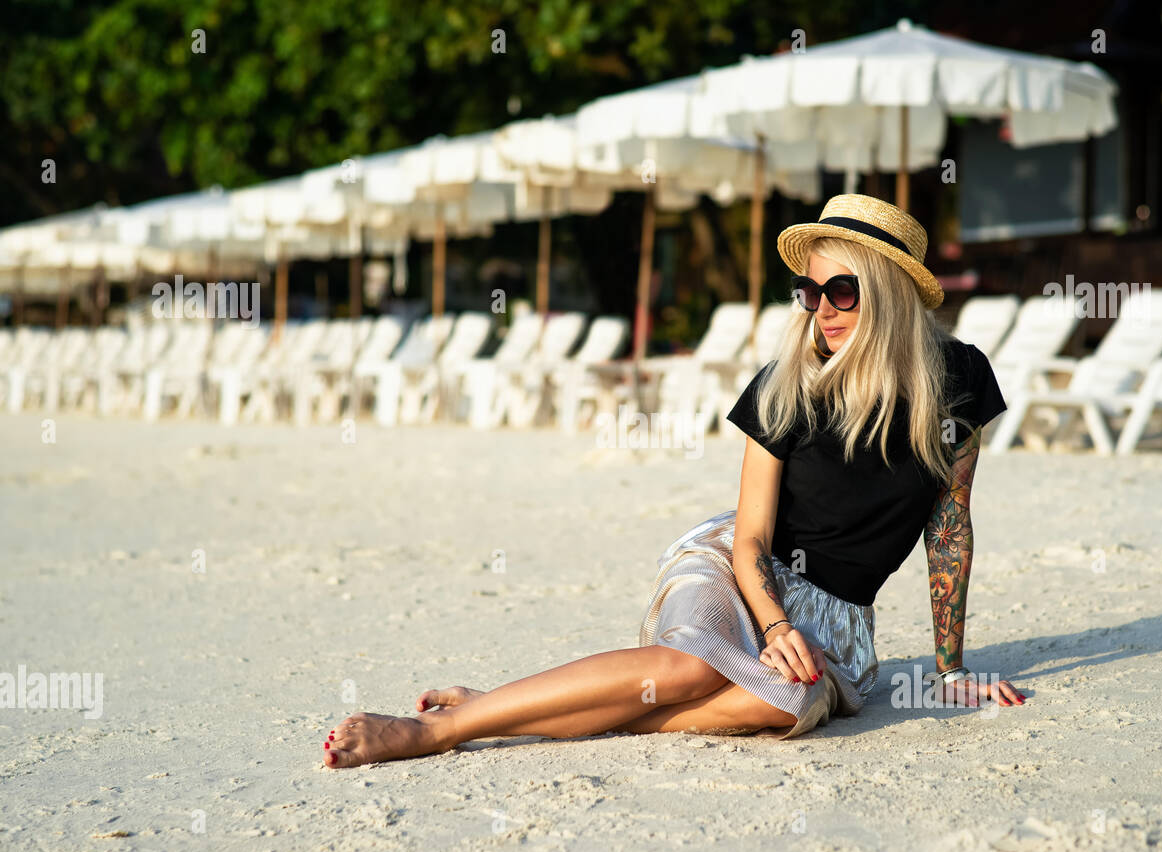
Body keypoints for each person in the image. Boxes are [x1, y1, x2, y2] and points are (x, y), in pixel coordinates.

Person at [322, 194, 1023, 769]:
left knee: (786, 701)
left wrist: (951, 670)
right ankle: (442, 729)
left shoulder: (959, 381)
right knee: (690, 671)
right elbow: (750, 538)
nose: (823, 310)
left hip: (838, 621)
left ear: (891, 293)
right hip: (741, 571)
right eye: (810, 292)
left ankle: (524, 708)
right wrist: (775, 624)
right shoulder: (786, 386)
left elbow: (949, 527)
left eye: (842, 290)